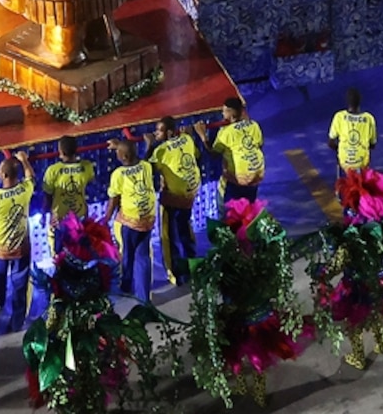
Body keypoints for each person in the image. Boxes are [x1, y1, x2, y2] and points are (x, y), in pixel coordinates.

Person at [0, 154, 34, 333]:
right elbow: (31, 177)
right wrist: (25, 160)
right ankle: (17, 322)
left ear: (3, 175)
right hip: (21, 248)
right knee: (20, 285)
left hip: (1, 250)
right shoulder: (26, 190)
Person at [105, 137, 160, 300]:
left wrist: (107, 217)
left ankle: (126, 285)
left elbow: (114, 199)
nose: (116, 154)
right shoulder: (146, 167)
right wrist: (121, 146)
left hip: (130, 222)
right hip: (148, 219)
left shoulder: (118, 174)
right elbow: (139, 158)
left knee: (127, 254)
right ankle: (144, 297)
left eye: (117, 153)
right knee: (143, 255)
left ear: (123, 157)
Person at [148, 117, 202, 278]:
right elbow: (196, 155)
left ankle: (176, 273)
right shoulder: (186, 139)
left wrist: (150, 145)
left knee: (169, 237)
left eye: (158, 130)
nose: (155, 133)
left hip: (173, 199)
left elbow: (146, 170)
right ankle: (193, 265)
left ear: (170, 132)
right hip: (190, 195)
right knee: (185, 229)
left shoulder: (161, 151)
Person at [211, 95, 266, 207]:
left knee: (230, 210)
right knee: (249, 207)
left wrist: (203, 136)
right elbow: (259, 145)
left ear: (230, 113)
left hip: (238, 179)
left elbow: (214, 154)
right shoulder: (254, 125)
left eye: (224, 111)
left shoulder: (226, 132)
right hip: (257, 174)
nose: (222, 114)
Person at [328, 87, 377, 182]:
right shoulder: (369, 118)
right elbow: (373, 144)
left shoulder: (339, 117)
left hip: (345, 162)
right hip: (362, 162)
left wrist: (343, 148)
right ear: (360, 101)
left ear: (347, 102)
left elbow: (330, 143)